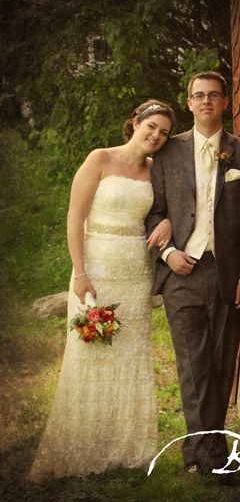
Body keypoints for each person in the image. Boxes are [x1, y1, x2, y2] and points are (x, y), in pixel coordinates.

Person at [29, 99, 176, 481]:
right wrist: (80, 273)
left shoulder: (157, 172)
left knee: (129, 353)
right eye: (152, 127)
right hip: (96, 266)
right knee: (90, 350)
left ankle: (127, 447)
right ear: (135, 123)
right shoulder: (100, 158)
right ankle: (81, 442)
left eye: (163, 132)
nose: (157, 136)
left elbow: (170, 210)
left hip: (136, 271)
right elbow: (75, 216)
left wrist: (170, 224)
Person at [145, 71, 240, 474]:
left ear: (225, 102)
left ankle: (198, 453)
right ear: (189, 103)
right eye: (198, 95)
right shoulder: (166, 152)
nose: (206, 101)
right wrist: (168, 253)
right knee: (193, 365)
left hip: (228, 273)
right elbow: (151, 211)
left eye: (214, 95)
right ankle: (213, 459)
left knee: (222, 364)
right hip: (181, 273)